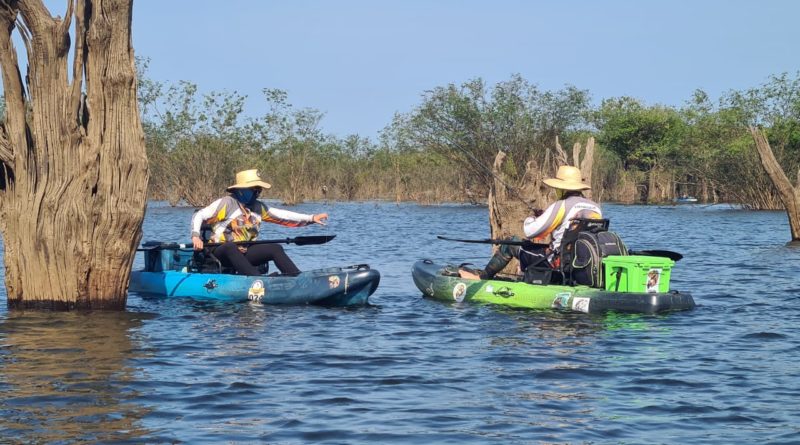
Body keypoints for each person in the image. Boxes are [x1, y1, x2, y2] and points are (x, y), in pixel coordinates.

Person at [459, 165, 602, 280]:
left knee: (510, 244)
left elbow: (530, 231)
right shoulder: (595, 208)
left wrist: (533, 219)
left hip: (555, 263)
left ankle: (481, 277)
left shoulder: (561, 205)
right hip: (581, 263)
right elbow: (570, 232)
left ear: (562, 188)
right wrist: (546, 217)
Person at [190, 169, 328, 276]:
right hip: (220, 252)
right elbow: (199, 215)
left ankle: (297, 279)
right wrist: (195, 236)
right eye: (254, 189)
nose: (258, 193)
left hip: (244, 252)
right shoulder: (226, 203)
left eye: (259, 190)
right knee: (230, 247)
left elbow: (284, 215)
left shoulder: (258, 207)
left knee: (275, 248)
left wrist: (311, 218)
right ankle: (257, 280)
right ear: (241, 190)